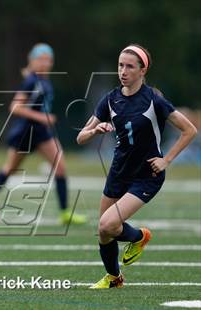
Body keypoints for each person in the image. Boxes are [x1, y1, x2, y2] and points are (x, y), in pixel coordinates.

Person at [77, 44, 197, 289]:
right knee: (104, 232)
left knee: (107, 225)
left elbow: (189, 130)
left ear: (143, 71)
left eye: (129, 66)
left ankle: (140, 237)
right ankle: (114, 279)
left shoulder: (154, 100)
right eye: (120, 65)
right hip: (119, 171)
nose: (123, 71)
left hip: (146, 175)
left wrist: (167, 160)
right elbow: (81, 137)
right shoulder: (110, 99)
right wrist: (94, 130)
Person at [0, 43, 86, 225]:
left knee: (60, 167)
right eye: (40, 59)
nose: (45, 63)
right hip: (26, 131)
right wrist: (42, 117)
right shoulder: (31, 81)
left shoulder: (44, 81)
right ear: (32, 61)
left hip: (42, 132)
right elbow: (15, 107)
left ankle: (65, 213)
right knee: (9, 169)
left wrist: (43, 120)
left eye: (48, 60)